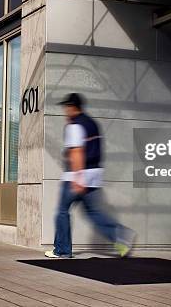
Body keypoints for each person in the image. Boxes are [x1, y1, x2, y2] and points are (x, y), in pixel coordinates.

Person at [45, 93, 135, 259]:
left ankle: (62, 250)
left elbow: (77, 151)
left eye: (67, 107)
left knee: (62, 211)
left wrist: (78, 178)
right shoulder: (92, 123)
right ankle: (120, 235)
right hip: (94, 175)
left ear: (73, 107)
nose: (65, 111)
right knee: (94, 213)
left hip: (76, 176)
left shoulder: (74, 126)